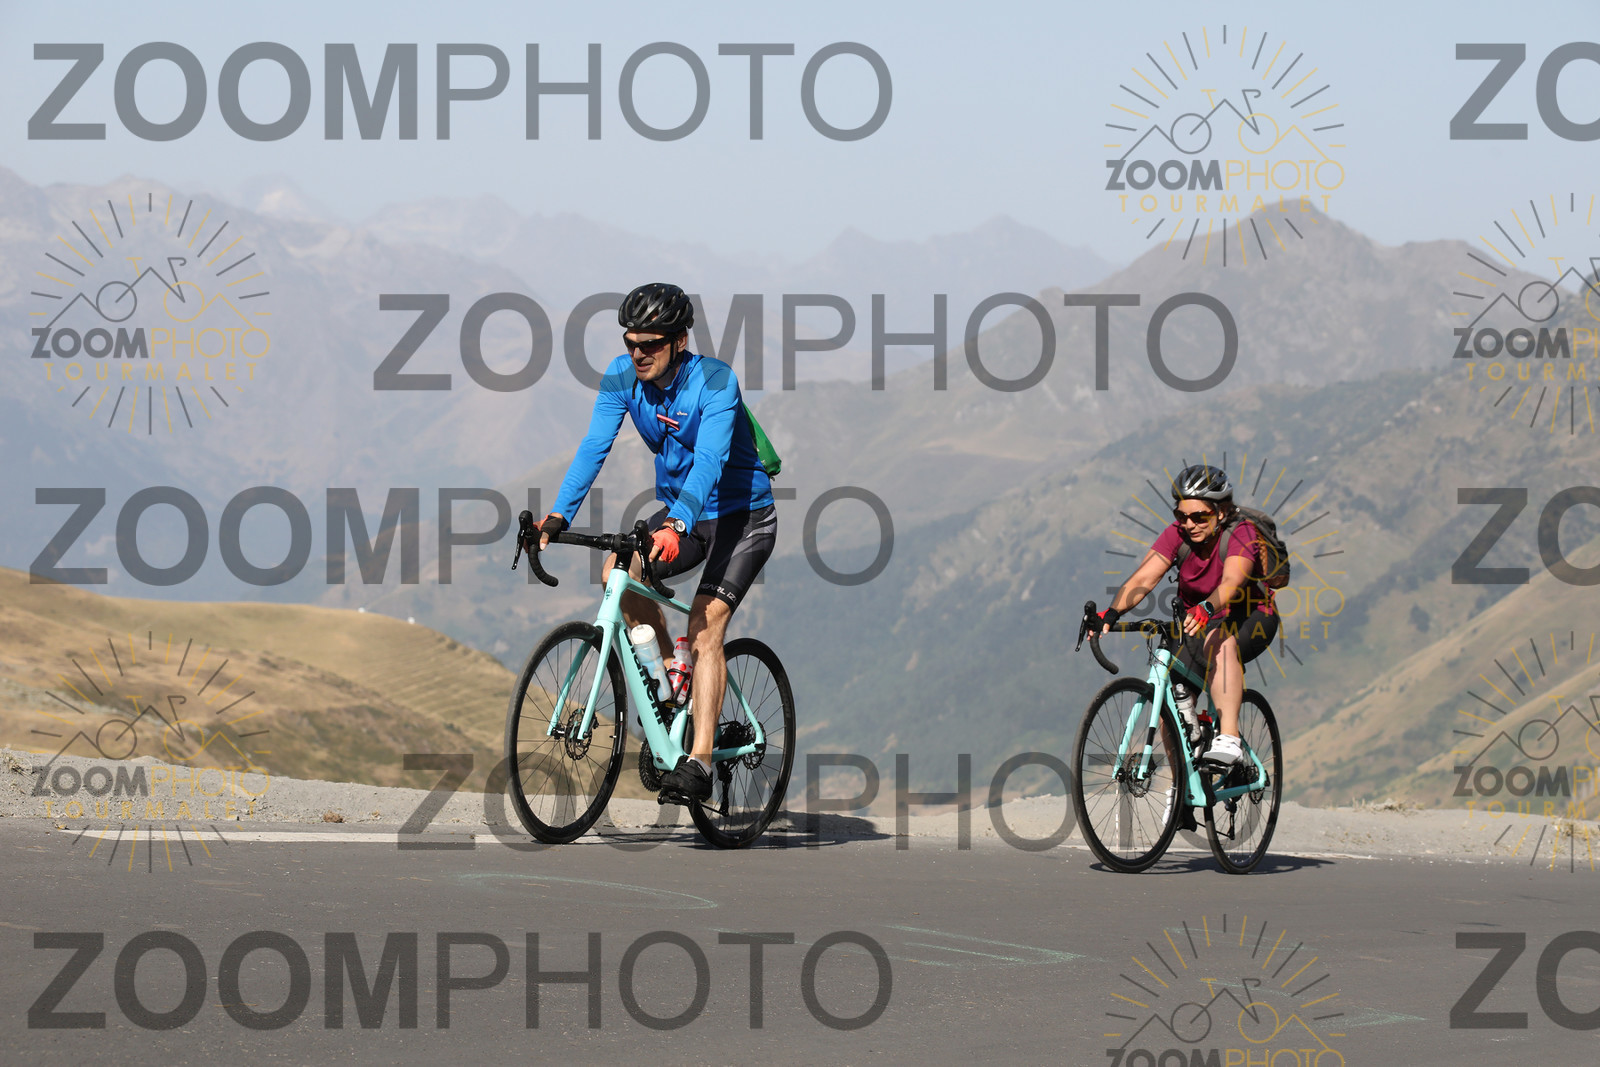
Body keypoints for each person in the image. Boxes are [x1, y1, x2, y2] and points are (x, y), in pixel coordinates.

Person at [537, 282, 777, 804]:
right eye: (631, 343)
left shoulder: (716, 382)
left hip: (741, 516)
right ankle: (671, 680)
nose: (638, 354)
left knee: (705, 625)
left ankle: (701, 760)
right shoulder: (621, 377)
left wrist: (678, 524)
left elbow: (709, 462)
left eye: (650, 344)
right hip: (679, 513)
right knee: (616, 574)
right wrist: (557, 516)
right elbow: (594, 446)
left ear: (679, 341)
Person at [1098, 464, 1279, 768]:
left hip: (1251, 615)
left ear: (1221, 512)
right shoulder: (1177, 534)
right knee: (1172, 697)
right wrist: (1113, 612)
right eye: (1181, 516)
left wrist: (1207, 607)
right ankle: (1180, 787)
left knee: (1219, 642)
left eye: (1199, 517)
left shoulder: (1241, 533)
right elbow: (1144, 577)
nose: (1189, 524)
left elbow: (1231, 583)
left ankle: (1230, 740)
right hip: (1197, 620)